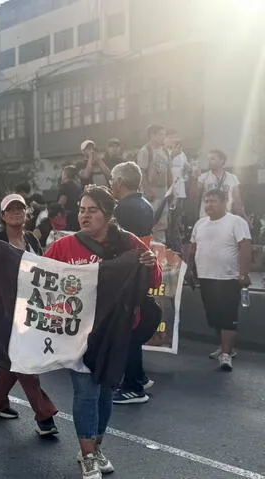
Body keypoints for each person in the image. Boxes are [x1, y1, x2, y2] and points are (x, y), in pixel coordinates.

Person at [44, 186, 161, 479]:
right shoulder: (64, 246)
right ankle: (88, 457)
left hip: (116, 333)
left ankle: (94, 447)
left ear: (108, 215)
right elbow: (42, 278)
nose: (84, 215)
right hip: (78, 334)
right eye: (81, 209)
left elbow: (153, 280)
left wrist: (149, 263)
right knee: (86, 391)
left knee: (105, 391)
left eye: (92, 210)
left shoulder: (129, 243)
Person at [0, 194, 59, 436]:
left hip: (30, 309)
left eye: (20, 208)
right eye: (11, 209)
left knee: (14, 360)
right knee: (23, 359)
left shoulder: (32, 241)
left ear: (26, 213)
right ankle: (44, 413)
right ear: (3, 215)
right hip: (4, 312)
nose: (16, 212)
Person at [190, 189, 251, 371]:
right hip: (206, 276)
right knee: (214, 316)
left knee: (228, 317)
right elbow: (193, 248)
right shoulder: (200, 224)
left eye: (213, 201)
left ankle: (226, 354)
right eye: (206, 201)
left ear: (225, 202)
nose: (208, 205)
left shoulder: (236, 222)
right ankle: (226, 348)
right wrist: (189, 271)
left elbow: (245, 247)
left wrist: (244, 274)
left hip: (228, 278)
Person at [110, 162, 155, 405]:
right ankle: (138, 376)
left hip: (126, 274)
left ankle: (133, 386)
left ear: (120, 182)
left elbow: (114, 243)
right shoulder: (145, 204)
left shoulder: (123, 209)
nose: (110, 184)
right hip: (140, 272)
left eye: (112, 179)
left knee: (125, 329)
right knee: (130, 326)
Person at [136, 124, 171, 242]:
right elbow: (142, 172)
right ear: (152, 135)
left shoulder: (165, 151)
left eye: (164, 135)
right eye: (161, 135)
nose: (163, 137)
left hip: (163, 191)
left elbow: (168, 171)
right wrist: (147, 190)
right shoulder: (146, 151)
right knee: (150, 223)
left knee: (162, 224)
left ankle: (161, 248)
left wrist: (171, 188)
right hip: (151, 192)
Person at [196, 150, 242, 219]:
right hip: (207, 217)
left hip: (225, 217)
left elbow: (237, 200)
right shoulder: (203, 177)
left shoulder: (232, 178)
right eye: (208, 159)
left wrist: (240, 217)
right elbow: (194, 196)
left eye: (212, 159)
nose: (209, 162)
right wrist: (194, 179)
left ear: (222, 160)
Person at [57, 165, 82, 231]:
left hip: (67, 219)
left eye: (62, 173)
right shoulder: (78, 187)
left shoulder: (64, 186)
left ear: (65, 175)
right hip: (76, 218)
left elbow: (61, 203)